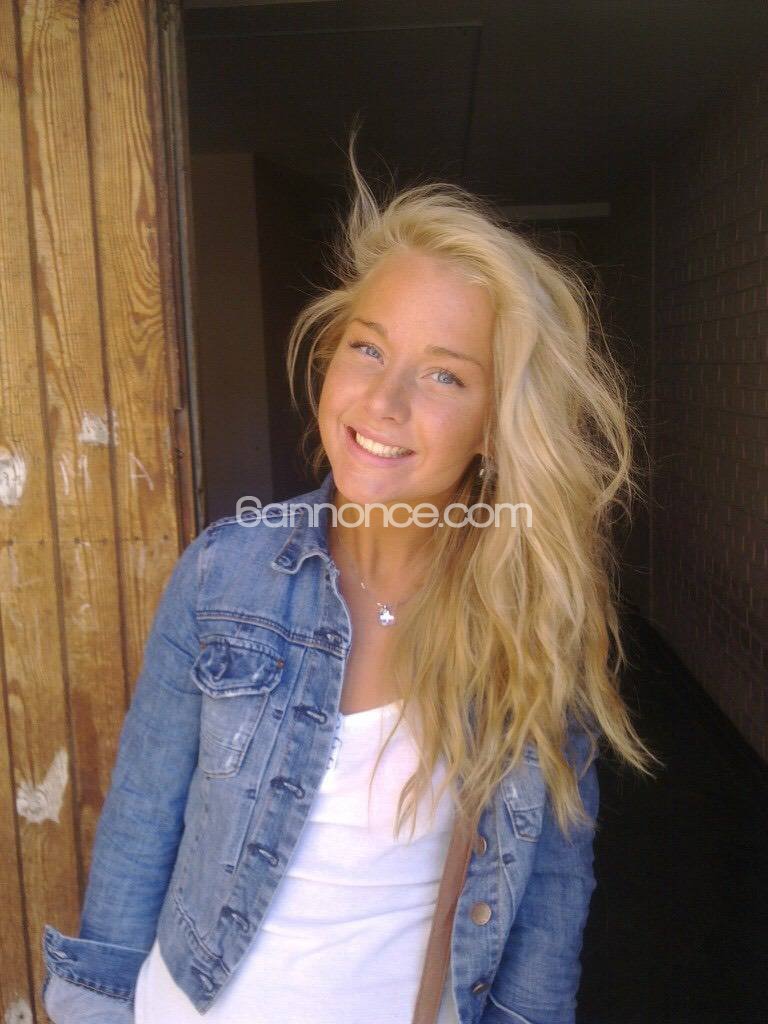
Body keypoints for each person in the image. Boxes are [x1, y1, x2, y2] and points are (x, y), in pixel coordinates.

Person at [41, 133, 660, 1024]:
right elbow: (141, 820)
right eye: (368, 349)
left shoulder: (528, 620)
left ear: (495, 426)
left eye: (444, 375)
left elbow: (553, 889)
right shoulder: (224, 572)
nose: (384, 402)